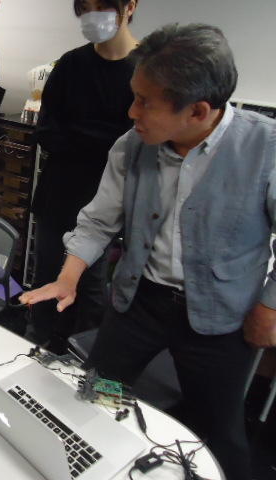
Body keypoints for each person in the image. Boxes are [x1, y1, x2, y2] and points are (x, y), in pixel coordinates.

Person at [21, 23, 276, 480]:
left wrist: (269, 307)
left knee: (219, 433)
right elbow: (99, 220)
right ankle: (100, 466)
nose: (131, 111)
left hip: (220, 317)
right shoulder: (132, 146)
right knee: (99, 396)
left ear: (198, 111)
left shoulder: (266, 149)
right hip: (139, 302)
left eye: (145, 102)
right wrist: (68, 277)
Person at [30, 0, 139, 353]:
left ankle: (80, 360)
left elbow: (135, 146)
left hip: (108, 203)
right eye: (85, 7)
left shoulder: (147, 69)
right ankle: (33, 348)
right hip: (58, 194)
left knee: (90, 287)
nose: (93, 15)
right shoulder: (71, 65)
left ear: (130, 6)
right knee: (47, 275)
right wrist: (104, 139)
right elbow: (47, 132)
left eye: (102, 5)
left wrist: (80, 135)